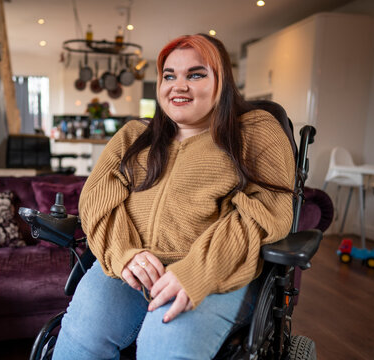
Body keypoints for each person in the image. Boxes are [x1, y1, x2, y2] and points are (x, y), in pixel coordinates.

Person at [52, 34, 295, 360]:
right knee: (80, 341)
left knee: (163, 344)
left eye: (195, 74)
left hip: (215, 271)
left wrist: (196, 270)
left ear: (221, 80)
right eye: (169, 75)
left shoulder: (254, 130)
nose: (178, 86)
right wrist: (125, 253)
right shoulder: (134, 135)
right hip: (131, 268)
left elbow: (266, 211)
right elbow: (97, 199)